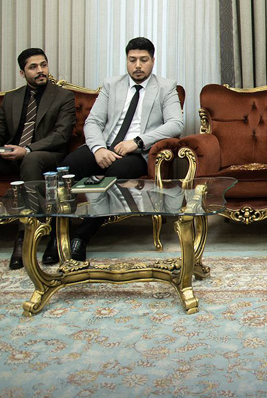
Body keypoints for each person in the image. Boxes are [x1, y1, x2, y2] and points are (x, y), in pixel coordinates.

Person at [61, 37, 184, 260]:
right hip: (105, 145)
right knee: (68, 166)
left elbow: (176, 124)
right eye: (132, 60)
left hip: (136, 153)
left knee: (116, 175)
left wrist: (137, 141)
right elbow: (93, 121)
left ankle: (81, 236)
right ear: (126, 60)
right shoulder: (112, 85)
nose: (137, 65)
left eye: (143, 60)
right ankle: (57, 235)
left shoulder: (166, 87)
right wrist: (99, 149)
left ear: (153, 61)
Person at [0, 48, 75, 268]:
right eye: (33, 67)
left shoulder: (63, 96)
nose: (40, 71)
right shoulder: (11, 98)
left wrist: (28, 149)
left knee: (31, 159)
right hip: (12, 155)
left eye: (43, 65)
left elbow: (61, 136)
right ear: (22, 73)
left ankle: (25, 235)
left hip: (47, 156)